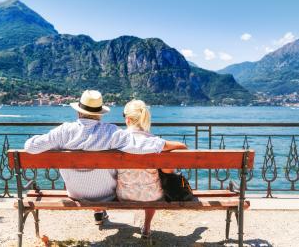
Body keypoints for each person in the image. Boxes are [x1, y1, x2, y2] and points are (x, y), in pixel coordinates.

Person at [24, 90, 186, 226]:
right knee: (113, 175)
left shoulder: (63, 131)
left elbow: (30, 147)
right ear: (99, 114)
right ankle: (100, 210)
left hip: (75, 193)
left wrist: (53, 139)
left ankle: (99, 213)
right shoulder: (111, 132)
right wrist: (171, 144)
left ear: (78, 111)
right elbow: (141, 145)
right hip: (106, 195)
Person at [116, 100, 184, 238]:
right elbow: (183, 147)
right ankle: (147, 227)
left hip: (123, 195)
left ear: (128, 119)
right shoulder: (155, 142)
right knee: (151, 184)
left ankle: (99, 213)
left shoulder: (116, 139)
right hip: (152, 197)